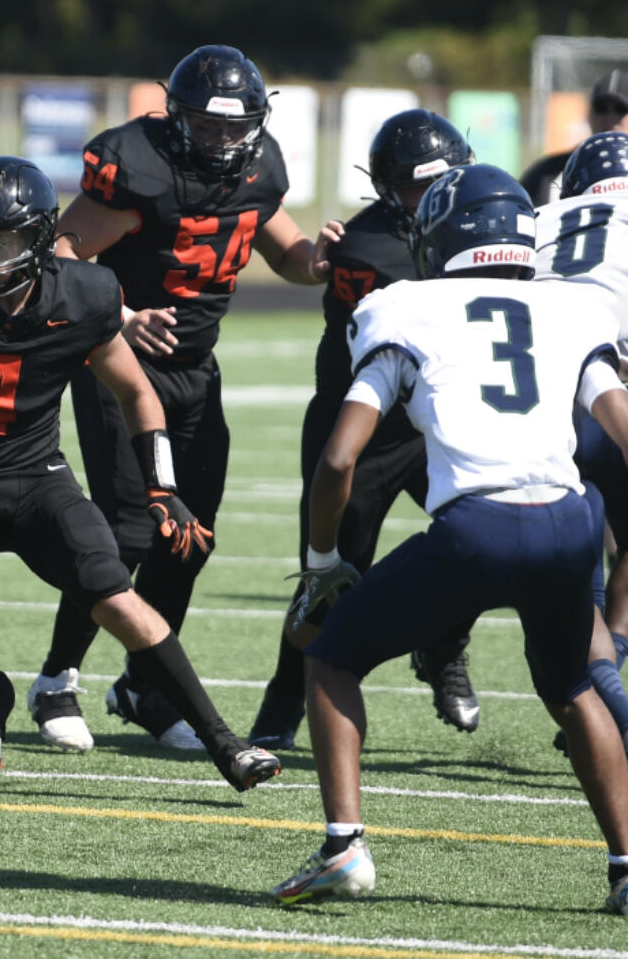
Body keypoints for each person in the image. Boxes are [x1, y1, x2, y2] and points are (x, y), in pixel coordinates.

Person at [0, 154, 281, 791]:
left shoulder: (84, 293)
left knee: (119, 601)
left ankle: (224, 743)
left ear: (42, 239)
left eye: (1, 241)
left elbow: (137, 393)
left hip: (39, 480)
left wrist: (161, 486)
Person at [269, 163, 628, 916]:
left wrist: (323, 561)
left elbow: (339, 458)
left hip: (478, 527)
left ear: (438, 238)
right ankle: (627, 866)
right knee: (570, 686)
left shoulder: (405, 308)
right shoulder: (566, 310)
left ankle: (343, 846)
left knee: (330, 653)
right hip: (570, 523)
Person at [24, 44, 342, 753]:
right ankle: (56, 677)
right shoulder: (141, 168)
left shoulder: (259, 173)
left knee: (189, 535)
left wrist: (318, 261)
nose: (222, 141)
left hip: (196, 370)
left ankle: (146, 684)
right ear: (177, 118)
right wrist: (124, 313)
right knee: (129, 528)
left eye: (235, 128)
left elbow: (285, 251)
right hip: (118, 362)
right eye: (206, 126)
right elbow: (64, 255)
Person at [248, 109, 480, 751]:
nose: (434, 198)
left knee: (495, 536)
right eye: (416, 187)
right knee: (327, 580)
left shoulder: (471, 227)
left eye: (448, 180)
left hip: (437, 424)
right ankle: (282, 703)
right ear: (385, 188)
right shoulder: (367, 248)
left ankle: (444, 646)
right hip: (364, 427)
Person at [533, 129, 628, 756]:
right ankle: (611, 680)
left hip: (535, 406)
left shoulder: (540, 217)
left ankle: (605, 673)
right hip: (608, 397)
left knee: (574, 584)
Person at [520, 69, 628, 207]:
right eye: (601, 108)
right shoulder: (547, 174)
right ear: (589, 114)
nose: (609, 117)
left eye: (621, 109)